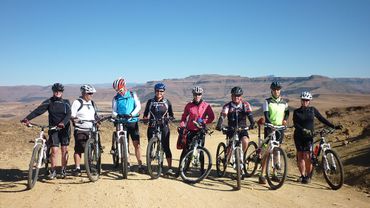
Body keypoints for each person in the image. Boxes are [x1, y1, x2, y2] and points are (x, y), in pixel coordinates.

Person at [21, 83, 71, 179]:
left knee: (64, 150)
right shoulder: (49, 102)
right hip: (53, 129)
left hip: (65, 129)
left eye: (60, 91)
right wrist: (27, 118)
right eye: (56, 91)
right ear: (53, 92)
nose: (58, 93)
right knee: (54, 151)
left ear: (62, 92)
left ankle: (63, 169)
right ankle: (53, 171)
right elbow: (38, 111)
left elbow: (68, 114)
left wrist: (63, 123)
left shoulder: (66, 102)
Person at [293, 91, 342, 184]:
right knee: (300, 156)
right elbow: (296, 124)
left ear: (309, 101)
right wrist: (303, 130)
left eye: (307, 100)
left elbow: (322, 119)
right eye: (303, 100)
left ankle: (308, 176)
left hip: (309, 137)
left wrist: (333, 126)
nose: (305, 102)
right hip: (299, 136)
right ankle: (302, 175)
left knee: (307, 156)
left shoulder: (312, 110)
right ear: (301, 100)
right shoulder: (296, 112)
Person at [177, 86, 215, 176]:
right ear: (193, 95)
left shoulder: (206, 106)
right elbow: (183, 117)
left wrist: (203, 121)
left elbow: (212, 117)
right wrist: (182, 126)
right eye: (195, 94)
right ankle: (180, 170)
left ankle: (202, 171)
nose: (197, 96)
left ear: (201, 95)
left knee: (201, 150)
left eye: (199, 94)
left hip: (201, 130)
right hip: (190, 130)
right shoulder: (189, 105)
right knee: (186, 149)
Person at [259, 81, 289, 184]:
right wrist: (270, 123)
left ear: (280, 90)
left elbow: (287, 113)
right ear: (271, 90)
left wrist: (285, 120)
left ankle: (274, 174)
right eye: (274, 89)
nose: (276, 91)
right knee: (267, 152)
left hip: (280, 129)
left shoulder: (284, 102)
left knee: (277, 151)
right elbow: (266, 115)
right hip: (269, 128)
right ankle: (262, 175)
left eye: (278, 89)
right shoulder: (267, 102)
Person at [111, 77, 144, 173]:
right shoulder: (116, 98)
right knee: (124, 144)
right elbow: (113, 110)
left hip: (132, 121)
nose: (119, 91)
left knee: (136, 144)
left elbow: (138, 106)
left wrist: (132, 114)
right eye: (117, 90)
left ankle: (140, 164)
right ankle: (127, 163)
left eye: (120, 89)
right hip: (121, 122)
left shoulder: (133, 95)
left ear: (124, 86)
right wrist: (117, 115)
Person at [143, 83, 175, 175]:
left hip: (164, 126)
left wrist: (169, 118)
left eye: (161, 91)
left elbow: (171, 115)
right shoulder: (150, 101)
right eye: (157, 91)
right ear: (155, 91)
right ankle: (149, 165)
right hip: (152, 125)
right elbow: (145, 114)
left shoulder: (167, 102)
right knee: (150, 145)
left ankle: (169, 168)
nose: (159, 93)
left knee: (166, 146)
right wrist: (145, 118)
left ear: (164, 92)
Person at [215, 86, 255, 154]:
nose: (236, 97)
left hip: (242, 128)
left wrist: (252, 123)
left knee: (245, 141)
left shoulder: (245, 105)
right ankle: (227, 157)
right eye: (234, 95)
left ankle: (242, 156)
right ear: (231, 96)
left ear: (241, 96)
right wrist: (219, 124)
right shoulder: (227, 106)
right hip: (231, 129)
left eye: (238, 95)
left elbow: (250, 115)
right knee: (230, 149)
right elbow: (222, 116)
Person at [70, 84, 98, 176]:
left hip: (91, 129)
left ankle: (90, 166)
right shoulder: (77, 102)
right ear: (83, 93)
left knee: (91, 148)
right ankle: (77, 168)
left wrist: (97, 120)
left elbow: (95, 115)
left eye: (92, 93)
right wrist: (75, 119)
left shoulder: (92, 103)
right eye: (89, 93)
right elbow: (72, 115)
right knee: (79, 149)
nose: (91, 95)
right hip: (80, 129)